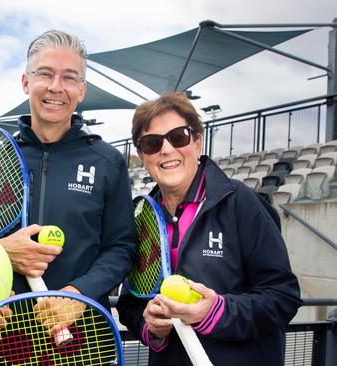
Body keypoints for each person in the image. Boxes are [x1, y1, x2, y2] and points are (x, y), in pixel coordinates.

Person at [116, 92, 302, 366]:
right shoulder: (140, 216)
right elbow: (130, 302)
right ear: (143, 156)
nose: (167, 150)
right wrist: (150, 326)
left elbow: (282, 296)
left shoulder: (242, 203)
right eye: (153, 143)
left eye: (178, 137)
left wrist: (216, 312)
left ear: (197, 141)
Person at [0, 29, 137, 319]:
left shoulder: (107, 161)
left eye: (69, 77)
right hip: (3, 335)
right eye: (45, 74)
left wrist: (77, 294)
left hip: (83, 338)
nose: (56, 87)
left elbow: (121, 248)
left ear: (82, 90)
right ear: (26, 82)